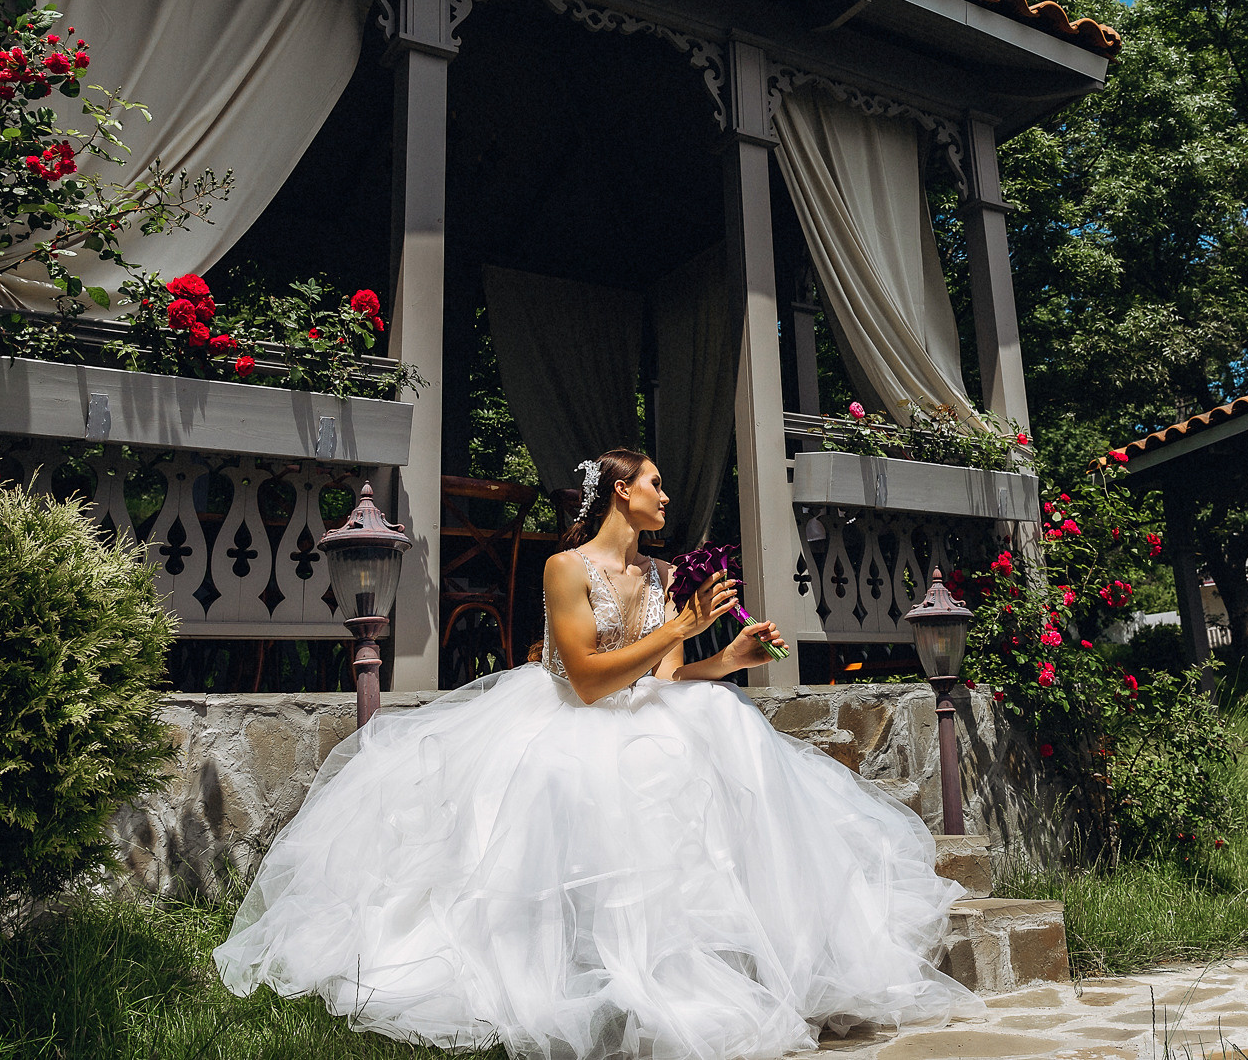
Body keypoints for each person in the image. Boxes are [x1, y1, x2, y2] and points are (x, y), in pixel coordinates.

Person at [215, 447, 980, 1056]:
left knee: (724, 719)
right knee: (602, 773)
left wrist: (728, 656)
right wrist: (676, 630)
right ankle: (589, 970)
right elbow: (583, 679)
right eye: (654, 484)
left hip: (645, 711)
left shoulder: (661, 572)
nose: (666, 497)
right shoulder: (565, 567)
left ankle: (724, 959)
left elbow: (669, 677)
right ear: (620, 491)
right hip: (567, 719)